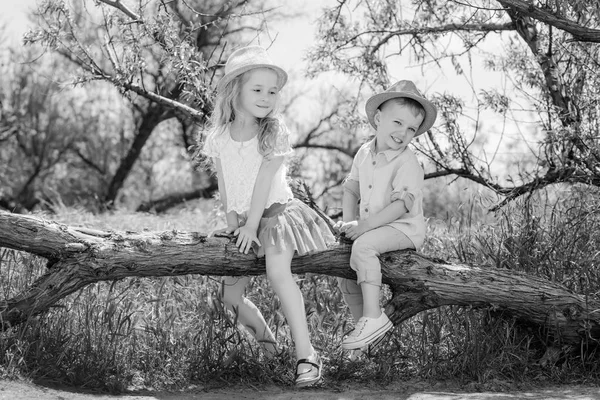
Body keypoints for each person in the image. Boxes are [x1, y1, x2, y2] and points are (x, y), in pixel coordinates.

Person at [200, 45, 335, 386]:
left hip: (277, 215)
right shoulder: (218, 137)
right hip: (245, 224)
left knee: (277, 271)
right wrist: (233, 227)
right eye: (257, 89)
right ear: (236, 91)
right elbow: (226, 184)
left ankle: (307, 356)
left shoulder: (273, 132)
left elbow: (263, 183)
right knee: (229, 296)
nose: (266, 97)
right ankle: (269, 348)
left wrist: (250, 224)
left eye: (272, 91)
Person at [335, 80, 437, 351]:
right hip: (373, 226)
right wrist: (349, 223)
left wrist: (364, 227)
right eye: (397, 123)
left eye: (411, 129)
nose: (403, 133)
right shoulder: (364, 152)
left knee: (364, 246)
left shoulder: (407, 161)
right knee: (345, 274)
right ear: (379, 119)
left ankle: (373, 316)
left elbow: (401, 207)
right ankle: (364, 339)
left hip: (402, 228)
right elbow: (351, 189)